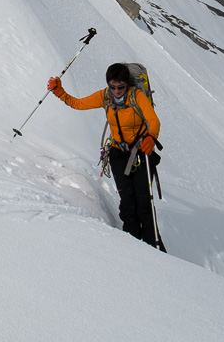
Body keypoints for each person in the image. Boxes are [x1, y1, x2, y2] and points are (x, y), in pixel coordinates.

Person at [48, 62, 165, 250]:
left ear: (127, 84)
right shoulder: (105, 96)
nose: (116, 91)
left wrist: (151, 136)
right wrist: (60, 92)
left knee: (144, 203)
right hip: (118, 154)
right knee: (127, 203)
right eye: (113, 87)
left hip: (141, 153)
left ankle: (153, 245)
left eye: (121, 87)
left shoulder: (137, 96)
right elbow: (78, 104)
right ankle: (134, 245)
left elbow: (154, 121)